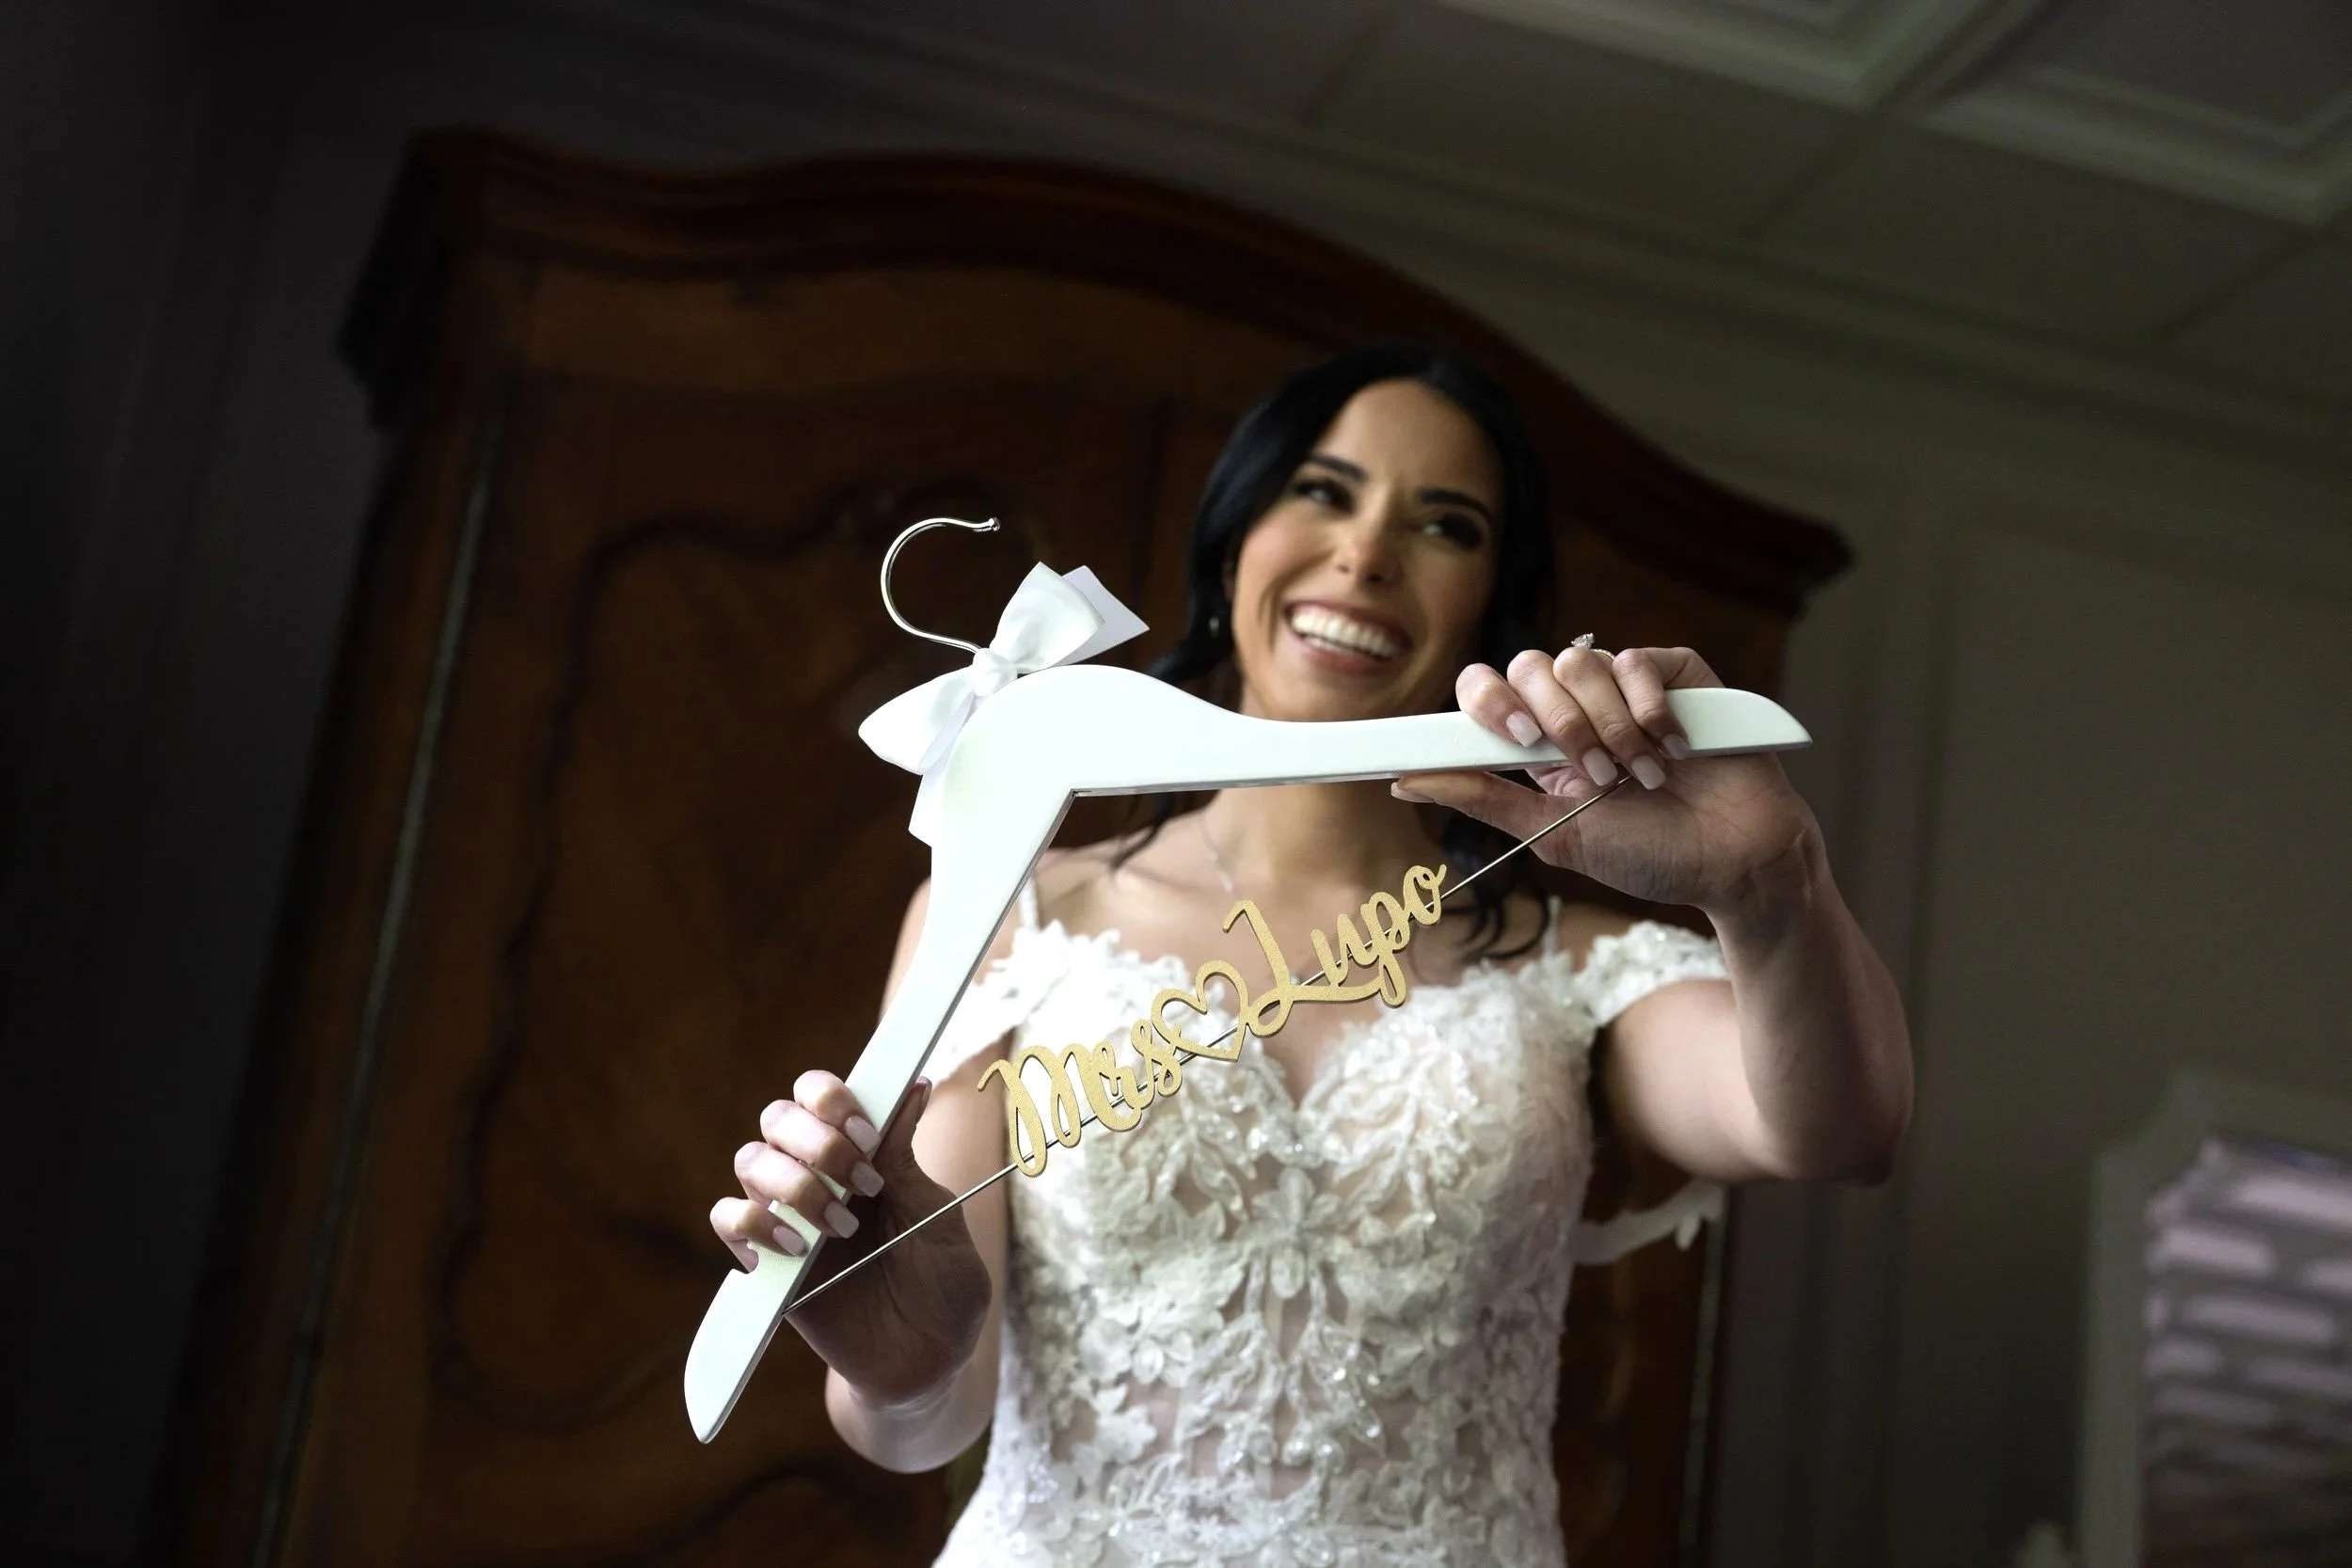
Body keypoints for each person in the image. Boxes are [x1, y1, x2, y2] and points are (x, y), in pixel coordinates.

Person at [709, 347, 1913, 1566]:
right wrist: (904, 1370)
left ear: (1492, 603)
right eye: (1325, 491)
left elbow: (1837, 1128)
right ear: (1235, 542)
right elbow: (921, 1418)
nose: (1368, 551)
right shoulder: (1016, 912)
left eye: (1445, 522)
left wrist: (1772, 886)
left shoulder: (1576, 963)